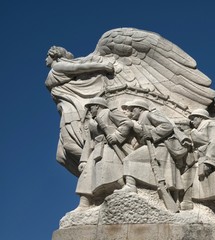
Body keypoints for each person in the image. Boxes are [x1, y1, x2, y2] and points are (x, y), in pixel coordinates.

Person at [45, 46, 114, 177]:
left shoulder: (58, 68)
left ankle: (99, 163)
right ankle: (91, 174)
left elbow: (79, 68)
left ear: (54, 56)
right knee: (61, 156)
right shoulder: (56, 69)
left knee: (69, 146)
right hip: (65, 112)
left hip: (73, 112)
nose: (45, 59)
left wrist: (103, 66)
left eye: (47, 56)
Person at [74, 97, 133, 211]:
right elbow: (89, 141)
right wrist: (84, 160)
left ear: (97, 106)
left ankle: (127, 193)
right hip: (96, 149)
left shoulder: (109, 113)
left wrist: (116, 136)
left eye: (91, 107)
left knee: (113, 173)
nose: (90, 110)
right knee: (87, 176)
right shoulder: (92, 121)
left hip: (110, 147)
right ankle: (84, 203)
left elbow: (127, 123)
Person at [119, 99, 184, 196]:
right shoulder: (140, 119)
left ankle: (130, 186)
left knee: (128, 160)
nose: (131, 112)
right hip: (153, 146)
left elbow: (167, 126)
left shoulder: (148, 114)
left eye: (133, 109)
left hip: (159, 147)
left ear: (140, 109)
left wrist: (151, 133)